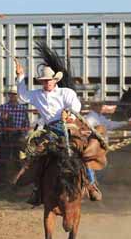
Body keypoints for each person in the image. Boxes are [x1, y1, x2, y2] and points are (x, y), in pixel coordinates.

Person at [16, 62, 102, 205]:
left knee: (81, 152)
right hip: (51, 129)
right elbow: (22, 96)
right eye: (44, 80)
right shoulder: (37, 95)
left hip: (69, 126)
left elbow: (75, 105)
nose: (47, 82)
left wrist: (69, 114)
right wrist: (20, 76)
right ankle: (38, 190)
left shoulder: (66, 92)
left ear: (55, 80)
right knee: (38, 155)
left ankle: (91, 184)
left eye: (49, 80)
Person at [0, 85, 30, 184]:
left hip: (17, 135)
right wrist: (2, 119)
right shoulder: (2, 108)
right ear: (9, 95)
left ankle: (17, 181)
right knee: (3, 159)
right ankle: (2, 182)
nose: (13, 96)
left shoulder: (23, 109)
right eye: (11, 94)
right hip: (5, 135)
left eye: (15, 94)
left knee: (17, 159)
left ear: (17, 95)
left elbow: (26, 124)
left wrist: (23, 135)